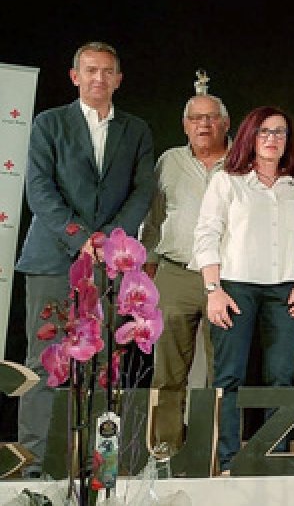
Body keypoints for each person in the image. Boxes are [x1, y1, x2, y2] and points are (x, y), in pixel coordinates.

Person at [16, 41, 155, 475]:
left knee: (103, 365)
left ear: (119, 78)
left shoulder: (137, 130)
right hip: (53, 259)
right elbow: (39, 190)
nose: (99, 78)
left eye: (107, 71)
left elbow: (141, 192)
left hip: (110, 265)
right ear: (75, 76)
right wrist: (81, 238)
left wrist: (110, 244)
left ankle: (101, 464)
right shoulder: (49, 123)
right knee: (44, 361)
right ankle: (34, 463)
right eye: (90, 70)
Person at [194, 105, 294, 474]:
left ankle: (271, 455)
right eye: (265, 131)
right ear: (250, 135)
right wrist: (213, 289)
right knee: (229, 374)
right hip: (235, 288)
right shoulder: (227, 181)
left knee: (281, 375)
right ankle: (229, 457)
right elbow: (206, 236)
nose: (272, 139)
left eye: (280, 132)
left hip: (284, 292)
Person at [141, 92, 229, 457]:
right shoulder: (169, 161)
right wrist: (146, 272)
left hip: (226, 281)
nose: (203, 125)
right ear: (185, 125)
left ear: (225, 124)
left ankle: (210, 452)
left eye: (211, 118)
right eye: (196, 118)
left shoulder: (243, 162)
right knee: (168, 371)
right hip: (174, 274)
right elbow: (153, 218)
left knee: (221, 373)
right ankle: (165, 450)